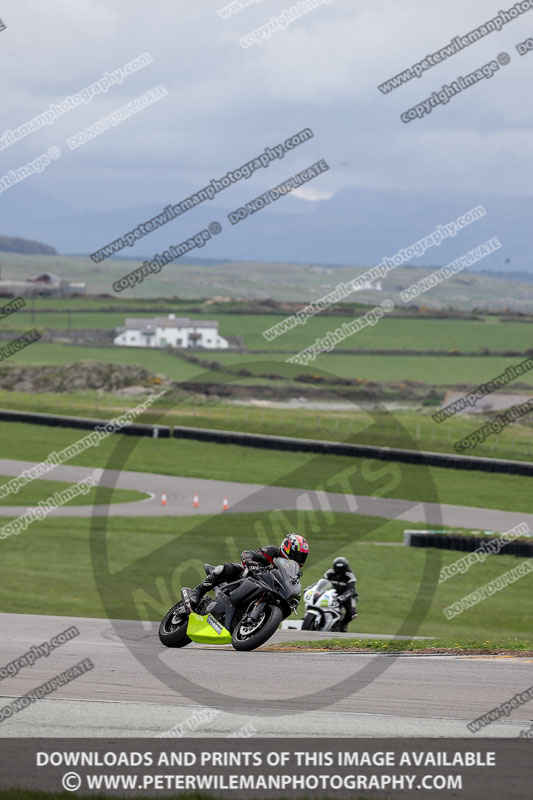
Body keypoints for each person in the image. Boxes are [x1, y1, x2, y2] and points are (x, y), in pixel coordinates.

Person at [189, 533, 309, 609]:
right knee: (226, 569)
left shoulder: (293, 571)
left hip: (268, 589)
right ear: (287, 548)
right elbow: (249, 553)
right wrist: (249, 561)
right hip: (250, 576)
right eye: (297, 555)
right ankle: (198, 592)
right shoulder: (273, 552)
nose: (298, 559)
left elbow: (290, 584)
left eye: (301, 557)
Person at [324, 556, 358, 632]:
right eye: (337, 568)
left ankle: (343, 623)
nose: (339, 571)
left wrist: (341, 598)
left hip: (348, 596)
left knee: (352, 613)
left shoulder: (349, 576)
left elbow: (351, 590)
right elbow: (321, 582)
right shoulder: (329, 573)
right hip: (332, 595)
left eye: (341, 569)